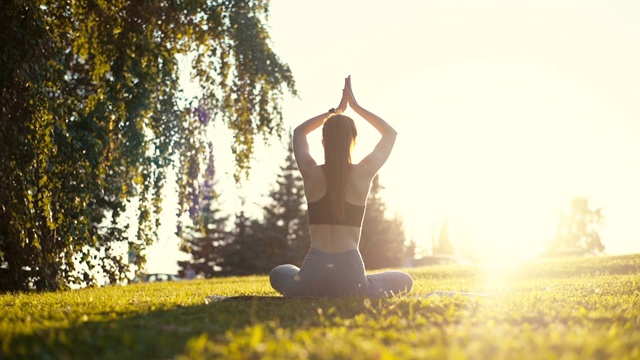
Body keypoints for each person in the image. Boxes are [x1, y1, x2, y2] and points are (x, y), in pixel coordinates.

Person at [269, 76, 413, 298]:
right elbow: (389, 134)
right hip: (351, 279)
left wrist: (334, 112)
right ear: (352, 141)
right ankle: (362, 286)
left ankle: (308, 287)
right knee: (404, 280)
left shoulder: (310, 172)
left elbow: (299, 132)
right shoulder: (364, 172)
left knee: (279, 272)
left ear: (323, 141)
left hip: (310, 278)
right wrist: (355, 107)